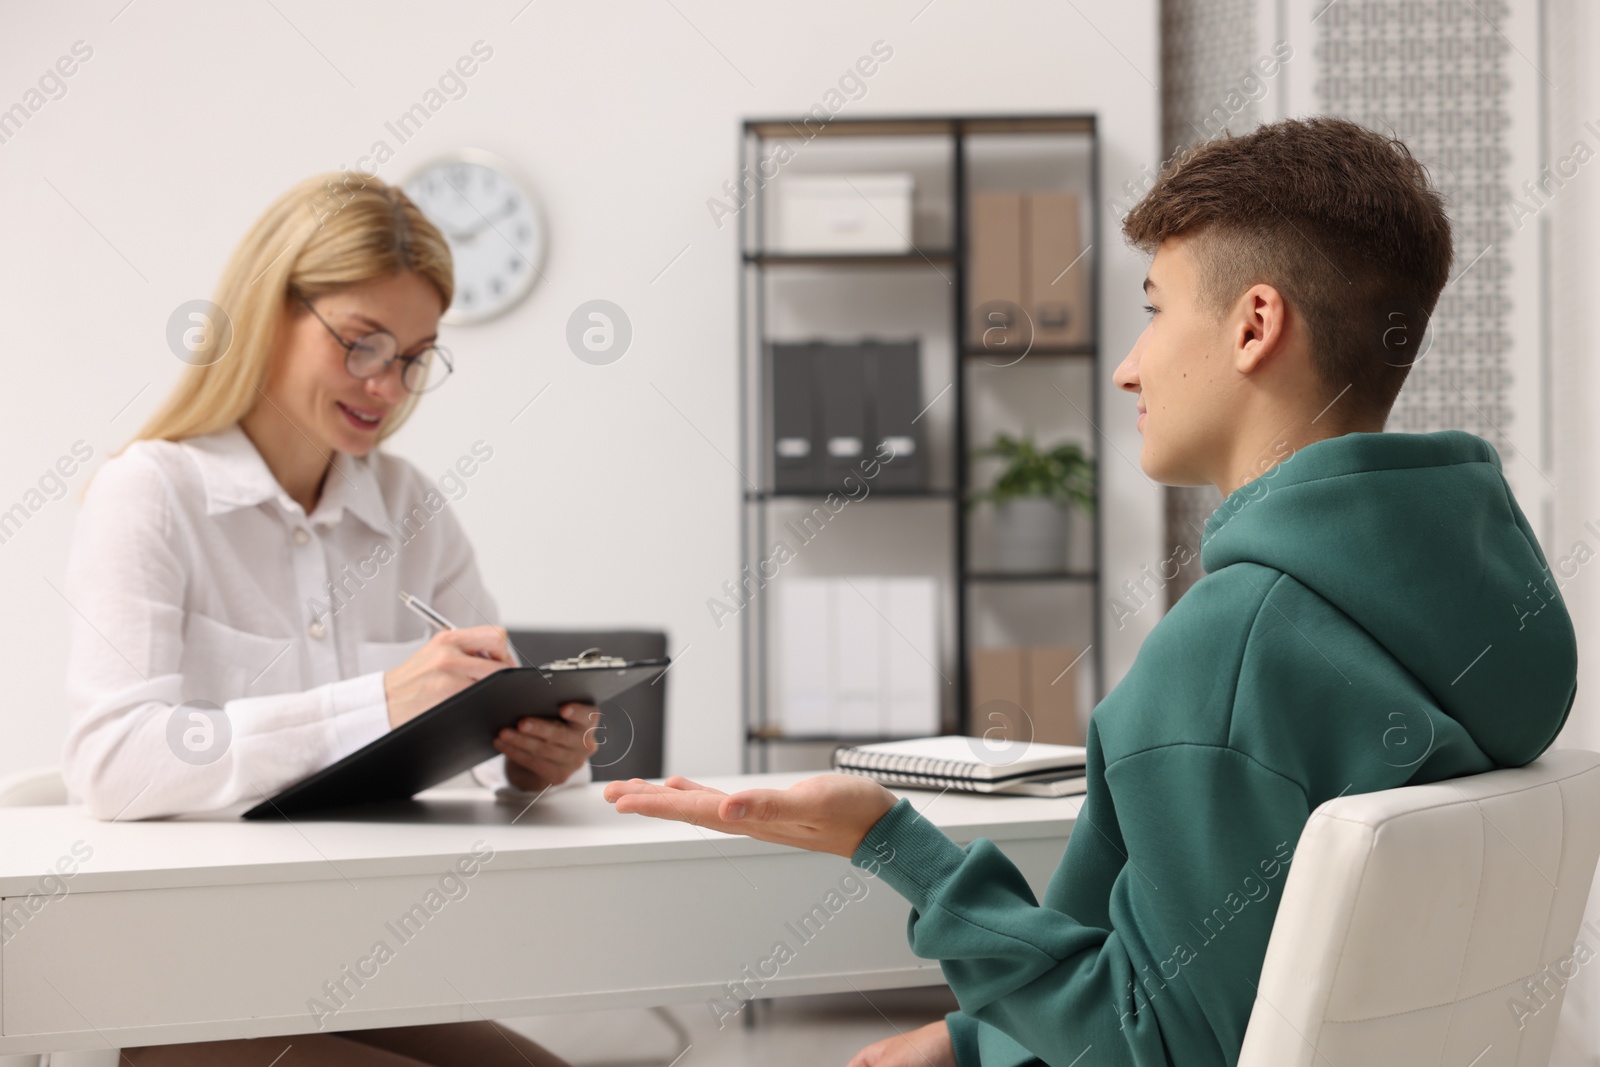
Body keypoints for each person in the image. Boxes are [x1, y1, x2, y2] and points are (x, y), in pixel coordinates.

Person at [603, 116, 1580, 1067]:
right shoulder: (1498, 619)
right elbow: (1234, 978)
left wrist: (889, 840)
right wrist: (973, 1036)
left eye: (1154, 309)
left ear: (1254, 325)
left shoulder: (1233, 649)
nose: (1126, 366)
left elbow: (1152, 1046)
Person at [61, 172, 593, 1066]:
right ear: (270, 312)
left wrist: (534, 761)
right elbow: (113, 763)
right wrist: (382, 699)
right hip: (177, 983)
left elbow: (481, 751)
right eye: (361, 343)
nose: (387, 384)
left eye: (415, 356)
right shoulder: (151, 493)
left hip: (356, 961)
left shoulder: (412, 507)